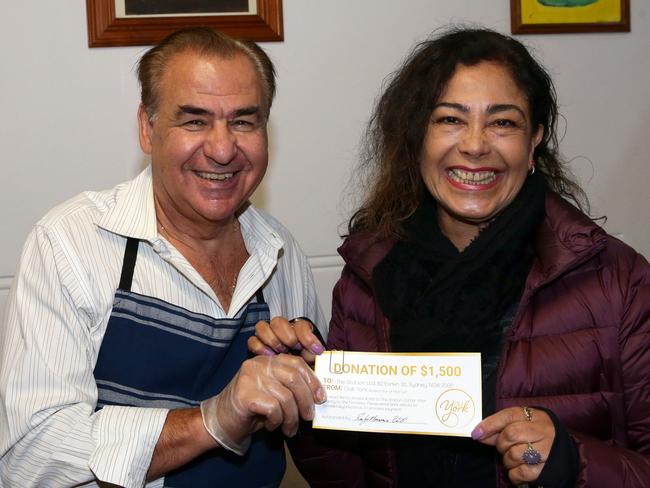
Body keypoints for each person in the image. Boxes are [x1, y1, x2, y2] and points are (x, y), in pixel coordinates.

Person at [250, 27, 650, 487]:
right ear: (416, 137)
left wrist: (572, 462)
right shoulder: (367, 280)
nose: (476, 145)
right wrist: (306, 396)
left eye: (503, 122)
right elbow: (350, 476)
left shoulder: (616, 282)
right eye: (449, 120)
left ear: (535, 138)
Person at [0, 27, 327, 488]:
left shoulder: (280, 251)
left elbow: (323, 446)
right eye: (194, 121)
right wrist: (212, 419)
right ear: (147, 128)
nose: (221, 148)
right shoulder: (70, 242)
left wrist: (310, 379)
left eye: (243, 121)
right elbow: (30, 457)